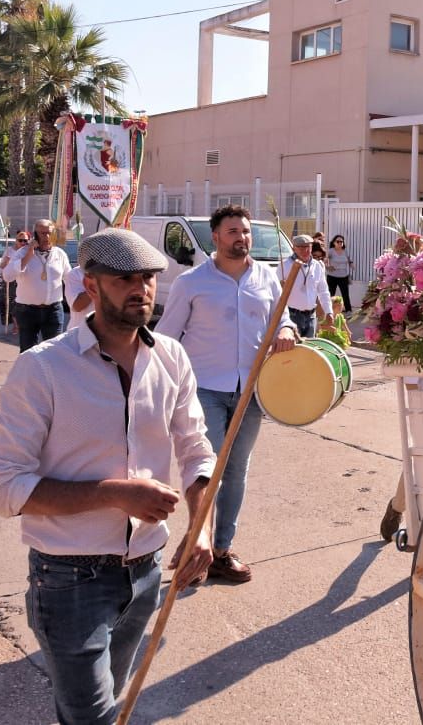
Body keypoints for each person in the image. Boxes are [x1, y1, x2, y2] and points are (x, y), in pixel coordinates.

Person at [0, 228, 216, 725]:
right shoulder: (41, 370)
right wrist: (114, 494)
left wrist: (201, 528)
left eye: (149, 278)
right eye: (124, 279)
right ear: (91, 286)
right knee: (91, 718)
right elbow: (4, 490)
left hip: (146, 569)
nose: (142, 290)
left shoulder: (171, 358)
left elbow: (197, 449)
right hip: (69, 577)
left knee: (111, 703)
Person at [156, 205, 296, 584]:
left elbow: (281, 317)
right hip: (205, 389)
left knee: (236, 472)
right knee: (206, 471)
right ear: (215, 237)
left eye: (246, 232)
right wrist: (162, 387)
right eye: (233, 231)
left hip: (252, 390)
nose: (242, 238)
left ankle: (220, 551)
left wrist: (286, 330)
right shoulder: (191, 282)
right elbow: (167, 338)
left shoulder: (266, 278)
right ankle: (195, 546)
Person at [4, 220, 71, 352]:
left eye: (49, 233)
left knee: (54, 351)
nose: (46, 237)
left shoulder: (59, 254)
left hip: (53, 310)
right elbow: (7, 276)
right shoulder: (22, 253)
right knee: (28, 352)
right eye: (42, 233)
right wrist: (29, 253)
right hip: (27, 311)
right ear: (35, 234)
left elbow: (69, 278)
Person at [280, 234, 333, 339]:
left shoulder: (317, 265)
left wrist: (329, 311)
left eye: (307, 247)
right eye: (300, 247)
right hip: (292, 316)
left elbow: (323, 291)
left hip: (311, 317)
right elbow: (275, 292)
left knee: (309, 351)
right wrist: (281, 286)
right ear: (293, 248)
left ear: (311, 247)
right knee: (293, 351)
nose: (305, 251)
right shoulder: (284, 265)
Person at [0, 230, 29, 334]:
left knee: (17, 303)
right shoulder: (9, 250)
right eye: (20, 240)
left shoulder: (28, 251)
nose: (23, 243)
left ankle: (17, 325)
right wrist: (6, 262)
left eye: (25, 241)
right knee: (5, 302)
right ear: (16, 241)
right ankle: (14, 324)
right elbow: (1, 267)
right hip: (10, 280)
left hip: (22, 280)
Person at [325, 234, 353, 315]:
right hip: (332, 276)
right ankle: (328, 311)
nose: (340, 243)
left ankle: (348, 310)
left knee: (345, 294)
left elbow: (349, 259)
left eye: (341, 241)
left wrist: (351, 264)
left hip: (343, 276)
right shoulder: (331, 251)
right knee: (330, 294)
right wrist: (328, 266)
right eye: (338, 241)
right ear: (334, 243)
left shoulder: (345, 251)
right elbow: (325, 260)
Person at [63, 263, 92, 331]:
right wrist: (99, 283)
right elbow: (77, 306)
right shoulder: (75, 273)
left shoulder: (116, 272)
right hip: (79, 333)